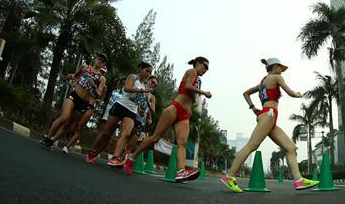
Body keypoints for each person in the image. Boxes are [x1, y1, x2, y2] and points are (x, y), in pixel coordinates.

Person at [220, 58, 319, 193]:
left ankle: (299, 180)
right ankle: (229, 176)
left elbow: (246, 93)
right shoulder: (276, 77)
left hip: (267, 115)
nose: (281, 71)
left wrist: (254, 108)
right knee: (252, 145)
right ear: (275, 67)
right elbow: (290, 93)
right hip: (269, 115)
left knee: (291, 148)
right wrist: (298, 94)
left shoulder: (262, 82)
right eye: (280, 68)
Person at [122, 57, 210, 182]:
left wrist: (190, 109)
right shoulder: (192, 72)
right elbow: (188, 86)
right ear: (198, 63)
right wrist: (204, 92)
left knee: (182, 143)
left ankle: (181, 171)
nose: (206, 69)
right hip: (175, 108)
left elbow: (191, 96)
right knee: (155, 138)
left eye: (207, 68)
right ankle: (132, 157)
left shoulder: (199, 80)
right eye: (204, 66)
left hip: (184, 114)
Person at [41, 52, 106, 148]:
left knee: (68, 125)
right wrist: (70, 76)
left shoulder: (102, 78)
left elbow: (99, 95)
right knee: (65, 117)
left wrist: (93, 85)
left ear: (103, 64)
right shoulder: (84, 67)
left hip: (84, 103)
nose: (100, 61)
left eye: (103, 61)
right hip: (74, 96)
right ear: (95, 58)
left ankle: (51, 141)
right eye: (99, 58)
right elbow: (74, 76)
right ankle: (48, 137)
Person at [102, 63, 154, 168]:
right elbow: (126, 88)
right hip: (121, 105)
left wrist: (142, 111)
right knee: (106, 132)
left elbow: (139, 101)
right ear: (141, 69)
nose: (148, 74)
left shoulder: (145, 86)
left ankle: (115, 158)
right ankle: (93, 152)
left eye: (150, 72)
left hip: (132, 111)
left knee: (125, 134)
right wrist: (142, 91)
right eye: (147, 71)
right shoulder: (133, 77)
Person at [61, 66, 107, 154]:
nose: (102, 73)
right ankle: (67, 138)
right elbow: (79, 82)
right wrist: (74, 83)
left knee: (78, 126)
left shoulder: (103, 85)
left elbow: (101, 99)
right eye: (101, 71)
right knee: (69, 121)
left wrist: (98, 99)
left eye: (103, 72)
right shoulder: (89, 76)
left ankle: (69, 145)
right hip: (81, 101)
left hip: (89, 106)